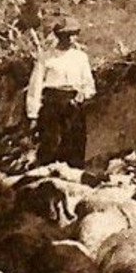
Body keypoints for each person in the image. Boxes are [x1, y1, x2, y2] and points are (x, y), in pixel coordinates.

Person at [25, 18, 96, 167]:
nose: (71, 38)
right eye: (67, 35)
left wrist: (82, 95)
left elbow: (89, 84)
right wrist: (33, 114)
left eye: (74, 34)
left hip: (74, 104)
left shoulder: (80, 58)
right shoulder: (46, 57)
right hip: (52, 103)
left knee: (74, 142)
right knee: (51, 142)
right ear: (59, 36)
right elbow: (35, 86)